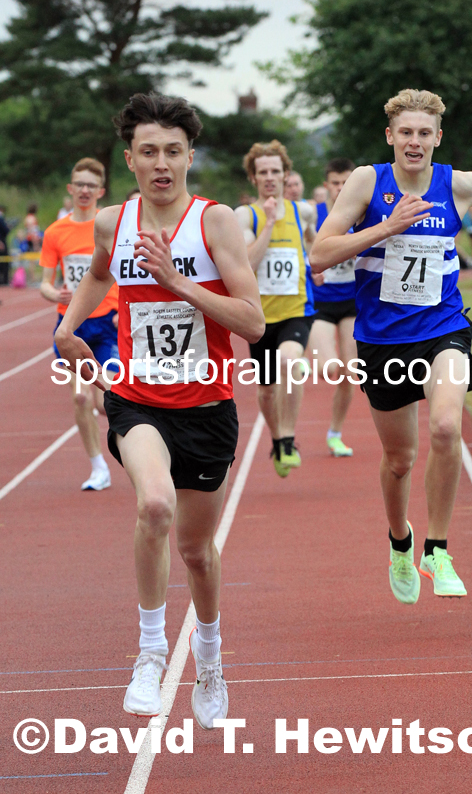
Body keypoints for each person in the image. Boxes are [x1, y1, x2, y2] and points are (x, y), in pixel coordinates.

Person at [55, 92, 264, 724]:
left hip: (207, 406)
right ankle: (149, 652)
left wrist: (177, 282)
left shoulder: (218, 222)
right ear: (131, 159)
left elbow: (252, 322)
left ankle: (210, 652)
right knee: (153, 504)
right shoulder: (111, 222)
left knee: (197, 553)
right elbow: (96, 274)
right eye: (149, 152)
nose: (162, 163)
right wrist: (68, 328)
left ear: (190, 156)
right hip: (135, 398)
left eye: (173, 151)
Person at [311, 89, 472, 602]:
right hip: (382, 339)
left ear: (438, 138)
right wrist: (387, 226)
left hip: (444, 326)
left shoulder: (460, 184)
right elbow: (320, 254)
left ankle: (438, 548)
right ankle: (400, 540)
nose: (415, 141)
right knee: (400, 458)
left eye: (424, 133)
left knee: (448, 425)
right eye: (405, 132)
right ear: (390, 137)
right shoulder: (368, 181)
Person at [235, 141, 316, 477]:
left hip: (298, 308)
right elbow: (247, 263)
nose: (270, 178)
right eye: (263, 172)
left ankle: (288, 437)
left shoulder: (304, 211)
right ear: (254, 178)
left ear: (286, 175)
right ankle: (277, 436)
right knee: (267, 390)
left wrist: (316, 261)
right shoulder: (245, 216)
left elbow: (312, 238)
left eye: (275, 171)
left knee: (290, 360)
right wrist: (268, 223)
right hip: (261, 317)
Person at [40, 158, 118, 491]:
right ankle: (98, 467)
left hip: (107, 325)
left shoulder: (109, 227)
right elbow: (45, 282)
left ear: (100, 191)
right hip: (70, 327)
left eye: (91, 185)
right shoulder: (55, 233)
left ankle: (140, 452)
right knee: (82, 399)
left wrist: (122, 309)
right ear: (71, 189)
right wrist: (54, 291)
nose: (84, 190)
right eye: (79, 184)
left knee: (108, 398)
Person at [308, 157, 357, 457]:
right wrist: (310, 266)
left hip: (352, 302)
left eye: (345, 183)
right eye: (335, 183)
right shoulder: (314, 214)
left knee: (351, 372)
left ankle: (335, 433)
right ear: (326, 185)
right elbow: (296, 250)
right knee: (330, 368)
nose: (340, 188)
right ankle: (307, 352)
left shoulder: (364, 213)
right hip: (321, 303)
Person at [0, 206, 10, 286]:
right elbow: (5, 230)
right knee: (4, 261)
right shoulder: (0, 218)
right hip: (1, 241)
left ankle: (4, 279)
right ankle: (4, 280)